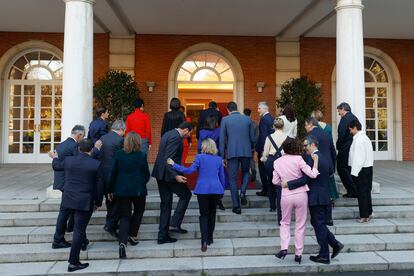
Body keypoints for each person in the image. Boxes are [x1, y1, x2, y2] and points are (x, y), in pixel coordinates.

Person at [49, 139, 105, 272]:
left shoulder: (69, 161)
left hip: (69, 199)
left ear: (79, 149)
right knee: (79, 230)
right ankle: (73, 262)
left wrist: (55, 157)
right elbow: (99, 187)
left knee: (78, 228)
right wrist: (98, 202)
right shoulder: (96, 164)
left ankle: (81, 244)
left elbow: (56, 166)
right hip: (84, 201)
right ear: (91, 150)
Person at [289, 136, 344, 264]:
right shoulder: (324, 156)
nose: (304, 148)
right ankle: (335, 244)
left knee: (319, 225)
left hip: (316, 196)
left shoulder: (312, 158)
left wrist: (289, 185)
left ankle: (324, 255)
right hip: (324, 194)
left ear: (313, 144)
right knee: (319, 224)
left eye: (306, 145)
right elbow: (330, 171)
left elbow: (306, 179)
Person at [168, 138, 225, 252]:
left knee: (204, 215)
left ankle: (204, 240)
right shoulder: (219, 159)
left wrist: (174, 164)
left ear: (204, 147)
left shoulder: (200, 157)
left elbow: (189, 171)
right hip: (216, 189)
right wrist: (222, 191)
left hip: (203, 189)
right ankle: (210, 238)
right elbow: (222, 177)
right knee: (212, 213)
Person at [272, 138, 319, 264]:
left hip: (286, 195)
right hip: (301, 194)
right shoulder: (299, 159)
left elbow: (275, 181)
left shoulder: (277, 162)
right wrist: (315, 162)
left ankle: (284, 248)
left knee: (284, 223)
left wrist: (283, 182)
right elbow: (312, 174)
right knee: (300, 224)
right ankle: (298, 253)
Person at [108, 132, 150, 259]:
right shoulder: (141, 155)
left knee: (125, 216)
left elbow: (113, 173)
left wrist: (110, 189)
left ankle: (122, 243)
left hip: (121, 189)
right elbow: (146, 174)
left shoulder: (119, 154)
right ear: (138, 142)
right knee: (139, 211)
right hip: (138, 189)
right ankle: (132, 234)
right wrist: (142, 181)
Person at [152, 122, 193, 244]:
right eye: (189, 132)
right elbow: (168, 158)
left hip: (160, 173)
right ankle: (174, 223)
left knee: (166, 203)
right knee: (186, 195)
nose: (189, 135)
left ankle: (162, 235)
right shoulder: (176, 137)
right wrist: (175, 176)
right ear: (185, 130)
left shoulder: (167, 134)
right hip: (169, 175)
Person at [51, 125, 85, 249]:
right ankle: (58, 239)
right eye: (83, 136)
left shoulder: (61, 144)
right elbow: (77, 163)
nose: (83, 139)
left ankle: (67, 233)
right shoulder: (74, 146)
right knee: (65, 212)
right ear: (79, 135)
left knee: (68, 210)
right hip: (69, 182)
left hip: (62, 181)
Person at [219, 101, 256, 214]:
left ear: (228, 110)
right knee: (245, 172)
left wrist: (222, 156)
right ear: (237, 108)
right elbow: (252, 138)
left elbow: (222, 139)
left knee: (232, 178)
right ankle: (243, 191)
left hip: (232, 152)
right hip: (246, 152)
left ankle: (236, 206)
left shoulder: (225, 120)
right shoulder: (247, 119)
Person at [304, 117, 337, 226]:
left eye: (305, 125)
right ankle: (329, 217)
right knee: (326, 189)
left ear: (310, 124)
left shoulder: (311, 137)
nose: (305, 127)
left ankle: (318, 217)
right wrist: (333, 166)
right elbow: (332, 149)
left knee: (316, 188)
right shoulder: (325, 133)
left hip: (315, 164)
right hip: (327, 164)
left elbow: (308, 154)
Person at [99, 120, 125, 237]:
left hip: (102, 174)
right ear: (120, 129)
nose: (124, 133)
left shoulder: (102, 138)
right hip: (114, 174)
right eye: (124, 131)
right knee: (115, 201)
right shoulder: (120, 140)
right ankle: (111, 224)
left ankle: (110, 222)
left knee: (109, 200)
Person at [260, 118, 287, 222]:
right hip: (284, 160)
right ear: (283, 126)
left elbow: (265, 153)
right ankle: (282, 206)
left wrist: (263, 159)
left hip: (271, 161)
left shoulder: (269, 137)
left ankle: (272, 206)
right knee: (282, 184)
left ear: (274, 126)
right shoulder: (287, 137)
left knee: (271, 183)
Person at [348, 119, 374, 223]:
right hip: (368, 167)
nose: (350, 131)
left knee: (362, 193)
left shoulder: (358, 139)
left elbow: (358, 158)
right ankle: (369, 212)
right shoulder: (366, 138)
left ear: (354, 127)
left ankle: (364, 216)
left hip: (361, 169)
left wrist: (354, 172)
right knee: (367, 191)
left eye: (350, 129)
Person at [312, 110, 339, 204]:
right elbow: (331, 142)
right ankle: (332, 194)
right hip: (327, 152)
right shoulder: (328, 127)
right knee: (329, 176)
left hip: (318, 151)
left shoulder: (314, 128)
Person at [198, 115, 225, 211]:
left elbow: (199, 147)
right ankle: (219, 201)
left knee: (205, 178)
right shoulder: (219, 131)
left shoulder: (201, 132)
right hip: (216, 157)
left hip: (204, 158)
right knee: (218, 179)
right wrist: (222, 157)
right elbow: (222, 144)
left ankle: (207, 200)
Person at [336, 102, 359, 198]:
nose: (339, 113)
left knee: (341, 168)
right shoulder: (354, 117)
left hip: (345, 147)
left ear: (343, 109)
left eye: (339, 111)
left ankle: (352, 190)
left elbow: (341, 134)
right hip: (353, 146)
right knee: (349, 169)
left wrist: (338, 146)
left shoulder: (345, 119)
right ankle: (353, 190)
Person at [255, 102, 274, 197]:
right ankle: (270, 190)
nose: (258, 110)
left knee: (262, 170)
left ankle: (265, 190)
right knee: (270, 171)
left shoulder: (263, 119)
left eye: (259, 108)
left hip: (264, 149)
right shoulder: (271, 118)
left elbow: (263, 136)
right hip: (272, 149)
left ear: (265, 109)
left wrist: (263, 150)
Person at [243, 108, 259, 183]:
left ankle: (246, 174)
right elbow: (257, 136)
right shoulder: (254, 124)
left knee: (243, 160)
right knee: (251, 159)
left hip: (243, 145)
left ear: (243, 114)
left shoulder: (242, 123)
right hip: (251, 145)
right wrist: (254, 145)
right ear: (250, 114)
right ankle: (253, 170)